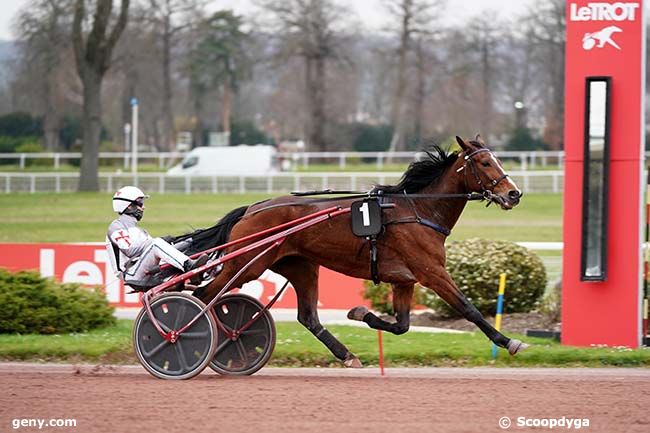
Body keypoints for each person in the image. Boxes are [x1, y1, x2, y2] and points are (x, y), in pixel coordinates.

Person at [106, 186, 208, 287]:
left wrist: (185, 240)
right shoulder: (116, 227)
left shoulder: (139, 230)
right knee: (156, 243)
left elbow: (152, 250)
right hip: (131, 274)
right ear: (129, 206)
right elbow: (131, 251)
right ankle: (188, 266)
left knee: (187, 241)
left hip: (143, 267)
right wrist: (158, 241)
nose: (143, 207)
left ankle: (204, 271)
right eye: (141, 203)